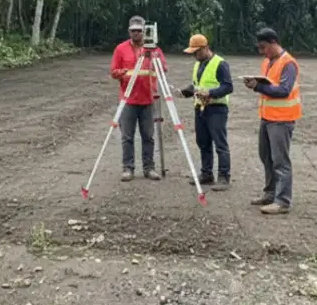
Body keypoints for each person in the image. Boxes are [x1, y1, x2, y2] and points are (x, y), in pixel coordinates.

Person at [243, 27, 301, 214]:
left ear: (273, 42)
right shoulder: (267, 62)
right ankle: (270, 194)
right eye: (259, 48)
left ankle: (282, 201)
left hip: (282, 120)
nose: (262, 52)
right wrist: (256, 84)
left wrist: (258, 86)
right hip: (267, 117)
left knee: (280, 161)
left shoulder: (288, 63)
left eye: (263, 47)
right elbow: (269, 85)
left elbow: (284, 90)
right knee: (266, 157)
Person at [110, 15, 167, 181]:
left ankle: (149, 168)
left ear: (145, 31)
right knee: (127, 137)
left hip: (148, 99)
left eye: (139, 31)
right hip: (128, 100)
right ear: (129, 31)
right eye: (133, 31)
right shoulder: (120, 49)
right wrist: (125, 73)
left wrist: (153, 58)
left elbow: (163, 69)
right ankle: (128, 168)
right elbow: (113, 71)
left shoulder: (154, 50)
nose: (136, 33)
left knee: (148, 136)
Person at [178, 34, 233, 191]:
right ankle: (206, 174)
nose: (194, 56)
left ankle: (224, 177)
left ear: (206, 48)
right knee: (203, 142)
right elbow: (197, 84)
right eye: (193, 53)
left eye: (196, 52)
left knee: (220, 143)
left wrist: (210, 93)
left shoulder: (220, 64)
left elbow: (228, 86)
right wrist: (186, 92)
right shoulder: (198, 64)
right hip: (200, 108)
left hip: (217, 109)